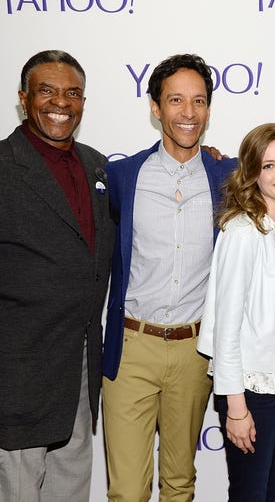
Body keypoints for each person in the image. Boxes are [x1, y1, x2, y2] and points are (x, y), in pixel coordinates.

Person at [0, 50, 114, 501]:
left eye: (72, 93)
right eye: (46, 90)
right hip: (8, 397)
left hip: (75, 386)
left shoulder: (97, 167)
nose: (61, 102)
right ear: (23, 98)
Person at [101, 53, 238, 501]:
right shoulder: (123, 176)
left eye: (198, 100)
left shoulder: (228, 175)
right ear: (155, 107)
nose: (188, 112)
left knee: (180, 483)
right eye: (176, 100)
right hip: (131, 348)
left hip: (194, 352)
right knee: (127, 491)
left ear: (208, 109)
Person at [197, 123, 275, 502]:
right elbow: (225, 329)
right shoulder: (242, 232)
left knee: (269, 492)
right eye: (268, 166)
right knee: (250, 495)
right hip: (249, 389)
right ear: (252, 174)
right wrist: (236, 408)